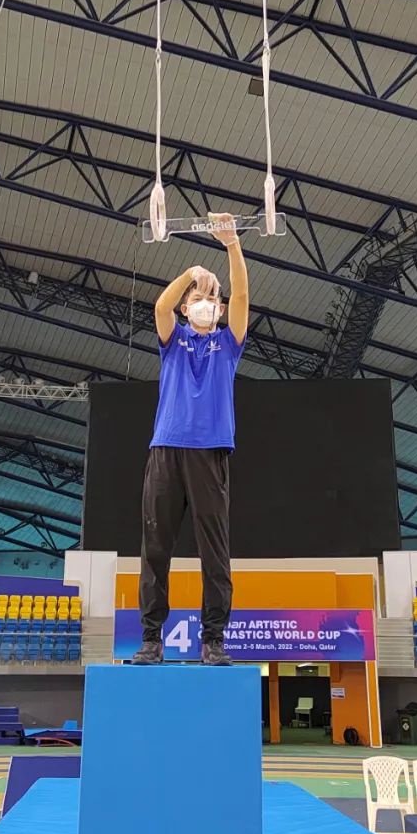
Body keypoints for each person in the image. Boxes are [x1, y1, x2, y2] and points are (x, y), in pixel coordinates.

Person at [131, 214, 248, 666]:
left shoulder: (229, 344)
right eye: (198, 299)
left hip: (210, 454)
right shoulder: (173, 339)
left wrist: (231, 245)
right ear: (186, 308)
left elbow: (242, 295)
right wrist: (190, 274)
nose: (206, 304)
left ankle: (213, 639)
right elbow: (160, 307)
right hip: (165, 450)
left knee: (214, 552)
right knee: (155, 549)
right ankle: (150, 639)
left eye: (212, 299)